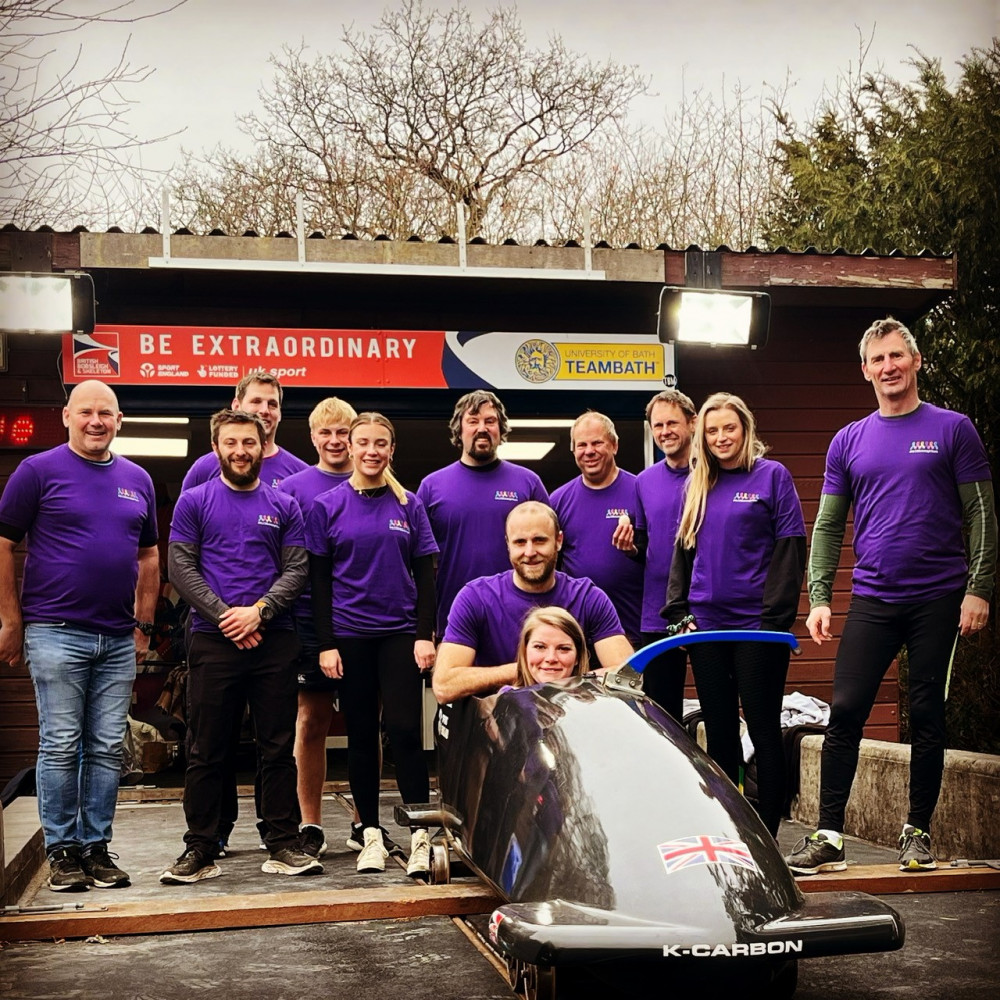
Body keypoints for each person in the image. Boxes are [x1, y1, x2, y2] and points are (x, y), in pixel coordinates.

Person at [784, 317, 996, 875]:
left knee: (927, 713)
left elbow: (980, 514)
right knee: (847, 709)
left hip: (939, 599)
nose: (888, 367)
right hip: (874, 599)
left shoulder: (953, 429)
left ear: (916, 361)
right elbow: (828, 525)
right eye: (877, 360)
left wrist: (978, 589)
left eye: (896, 356)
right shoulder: (848, 441)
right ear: (865, 371)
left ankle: (917, 832)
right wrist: (821, 596)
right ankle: (829, 836)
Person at [0, 380, 159, 892]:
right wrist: (11, 620)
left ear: (119, 420)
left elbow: (150, 556)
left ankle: (96, 847)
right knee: (62, 742)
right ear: (66, 414)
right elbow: (3, 544)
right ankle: (61, 850)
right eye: (86, 411)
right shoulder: (37, 471)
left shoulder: (138, 478)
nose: (96, 421)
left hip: (116, 638)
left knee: (107, 745)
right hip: (55, 631)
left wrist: (144, 625)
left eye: (106, 413)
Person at [160, 409, 317, 884]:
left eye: (249, 442)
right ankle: (201, 847)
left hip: (274, 640)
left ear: (261, 446)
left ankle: (283, 842)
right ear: (216, 448)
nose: (240, 451)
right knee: (207, 747)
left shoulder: (284, 504)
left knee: (276, 746)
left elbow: (297, 569)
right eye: (230, 443)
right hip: (212, 641)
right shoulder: (194, 501)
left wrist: (260, 611)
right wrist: (227, 616)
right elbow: (180, 569)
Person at [666, 392, 805, 839]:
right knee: (719, 730)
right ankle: (732, 829)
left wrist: (775, 620)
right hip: (707, 626)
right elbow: (683, 553)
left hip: (757, 629)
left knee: (763, 727)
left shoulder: (772, 477)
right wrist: (679, 611)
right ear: (702, 437)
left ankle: (767, 831)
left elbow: (790, 550)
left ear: (745, 429)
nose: (721, 437)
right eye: (712, 430)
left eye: (729, 428)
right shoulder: (697, 484)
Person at [306, 413, 438, 878]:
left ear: (391, 449)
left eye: (380, 443)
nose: (370, 451)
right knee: (361, 735)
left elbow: (426, 573)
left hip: (400, 634)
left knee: (404, 730)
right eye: (363, 442)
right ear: (351, 446)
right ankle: (372, 837)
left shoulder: (410, 505)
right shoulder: (326, 506)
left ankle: (421, 833)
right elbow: (318, 581)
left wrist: (425, 634)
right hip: (351, 635)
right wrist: (327, 643)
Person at [432, 501, 634, 703]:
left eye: (539, 540)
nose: (529, 552)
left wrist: (561, 679)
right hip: (494, 724)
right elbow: (444, 686)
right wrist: (527, 669)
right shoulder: (476, 598)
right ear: (508, 544)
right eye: (520, 542)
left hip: (568, 720)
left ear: (559, 541)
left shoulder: (588, 598)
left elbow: (627, 675)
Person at [278, 396, 358, 859]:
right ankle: (310, 823)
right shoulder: (292, 488)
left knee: (367, 721)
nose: (334, 441)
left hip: (365, 619)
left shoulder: (379, 483)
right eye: (325, 432)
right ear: (312, 437)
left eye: (342, 431)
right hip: (308, 618)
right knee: (312, 720)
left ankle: (365, 820)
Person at [417, 391, 548, 636]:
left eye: (490, 421)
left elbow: (551, 554)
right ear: (459, 429)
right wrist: (425, 628)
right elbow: (418, 563)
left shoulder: (528, 483)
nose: (482, 428)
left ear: (500, 429)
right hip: (453, 617)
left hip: (523, 617)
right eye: (473, 421)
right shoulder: (431, 487)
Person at [611, 389, 698, 722]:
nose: (665, 432)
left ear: (692, 422)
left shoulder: (712, 472)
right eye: (658, 425)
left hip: (707, 607)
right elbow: (647, 544)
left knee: (718, 709)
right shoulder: (644, 481)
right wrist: (631, 548)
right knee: (662, 713)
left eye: (672, 423)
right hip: (659, 613)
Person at [550, 411, 644, 644]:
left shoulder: (641, 491)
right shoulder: (558, 500)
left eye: (597, 443)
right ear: (573, 450)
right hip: (579, 633)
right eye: (581, 445)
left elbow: (659, 555)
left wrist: (634, 550)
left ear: (614, 445)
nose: (589, 451)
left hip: (633, 627)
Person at [181, 370, 308, 491]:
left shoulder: (301, 473)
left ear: (280, 413)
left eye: (272, 404)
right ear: (236, 406)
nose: (264, 410)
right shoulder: (204, 468)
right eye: (256, 401)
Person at [514, 606, 590, 688]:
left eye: (563, 648)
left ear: (577, 657)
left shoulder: (600, 700)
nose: (551, 658)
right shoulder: (506, 699)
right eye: (540, 647)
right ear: (525, 652)